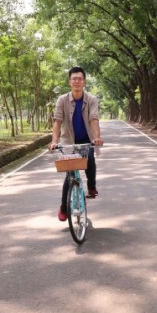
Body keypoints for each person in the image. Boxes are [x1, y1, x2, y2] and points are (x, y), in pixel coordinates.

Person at [50, 66, 104, 221]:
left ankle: (91, 186)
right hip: (68, 141)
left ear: (84, 82)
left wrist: (97, 138)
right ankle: (63, 205)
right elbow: (57, 121)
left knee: (90, 160)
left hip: (87, 139)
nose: (77, 81)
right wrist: (54, 142)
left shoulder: (91, 99)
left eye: (80, 78)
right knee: (70, 175)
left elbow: (94, 119)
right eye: (74, 78)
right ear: (69, 82)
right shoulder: (62, 100)